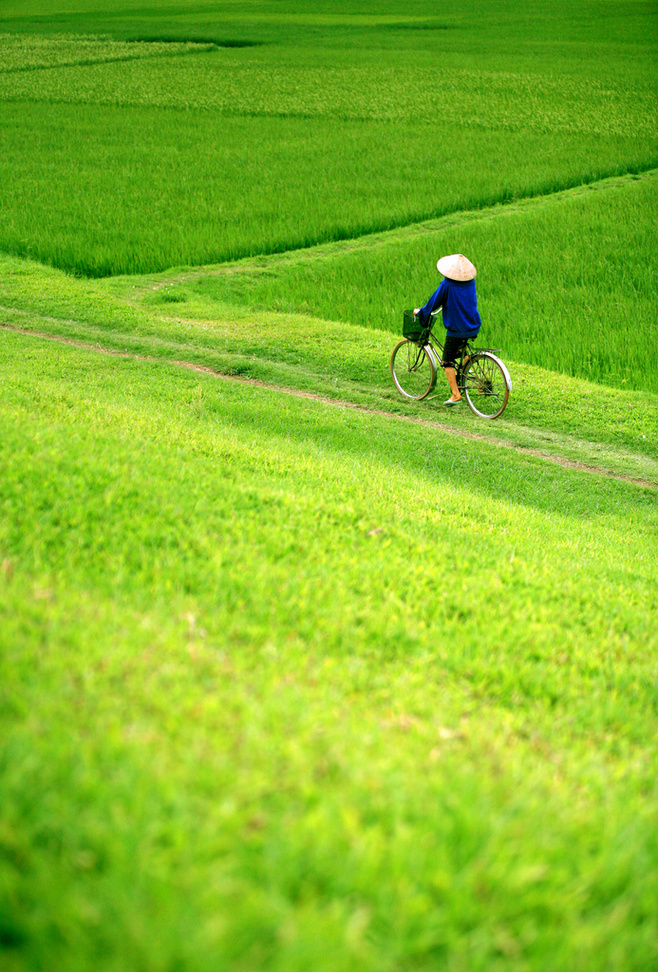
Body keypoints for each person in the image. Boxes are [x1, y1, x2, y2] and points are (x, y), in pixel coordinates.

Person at [414, 253, 481, 406]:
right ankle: (466, 367)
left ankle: (456, 394)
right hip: (473, 324)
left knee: (447, 361)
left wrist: (422, 312)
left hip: (457, 328)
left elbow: (433, 303)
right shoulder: (471, 282)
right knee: (460, 348)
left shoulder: (447, 284)